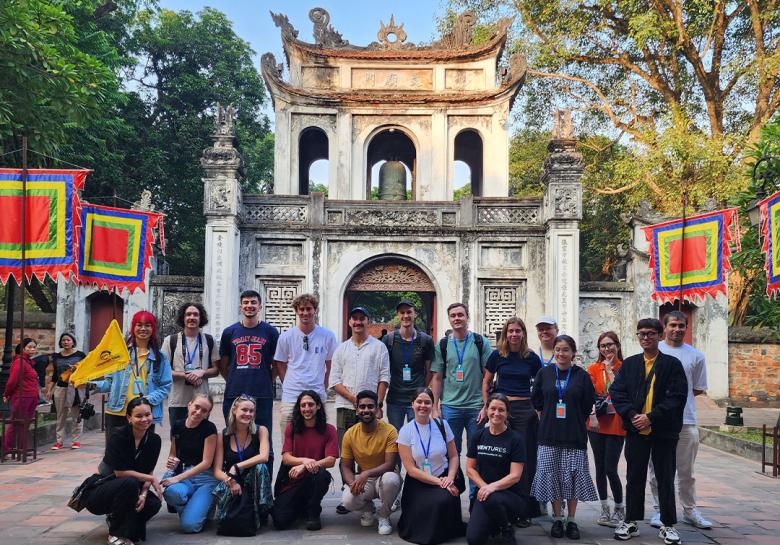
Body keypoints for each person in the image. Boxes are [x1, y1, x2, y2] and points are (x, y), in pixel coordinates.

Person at [610, 318, 687, 545]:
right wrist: (633, 416)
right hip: (636, 430)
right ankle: (631, 520)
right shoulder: (630, 364)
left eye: (651, 334)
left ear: (660, 336)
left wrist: (651, 417)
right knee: (635, 476)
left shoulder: (672, 365)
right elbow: (617, 392)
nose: (646, 338)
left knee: (665, 477)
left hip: (663, 431)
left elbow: (677, 398)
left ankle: (668, 524)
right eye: (642, 334)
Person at [649, 312, 712, 530]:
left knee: (687, 471)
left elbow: (696, 388)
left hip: (685, 420)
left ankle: (690, 509)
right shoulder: (653, 352)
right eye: (673, 325)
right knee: (657, 470)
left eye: (681, 325)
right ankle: (659, 509)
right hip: (657, 420)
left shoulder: (696, 356)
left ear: (686, 327)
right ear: (664, 328)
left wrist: (676, 403)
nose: (677, 329)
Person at [531, 335, 598, 539]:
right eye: (558, 349)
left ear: (573, 353)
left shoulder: (582, 376)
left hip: (574, 435)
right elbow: (537, 401)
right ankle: (558, 518)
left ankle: (571, 520)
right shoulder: (544, 373)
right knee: (553, 478)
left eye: (566, 350)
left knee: (573, 477)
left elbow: (588, 404)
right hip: (549, 435)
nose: (561, 353)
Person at [482, 317, 542, 526]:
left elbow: (540, 383)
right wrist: (486, 406)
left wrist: (537, 408)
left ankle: (523, 508)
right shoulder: (497, 355)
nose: (514, 334)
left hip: (525, 411)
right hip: (502, 410)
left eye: (518, 331)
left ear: (523, 333)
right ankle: (499, 503)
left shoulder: (531, 357)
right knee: (501, 456)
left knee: (523, 459)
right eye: (511, 331)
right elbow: (487, 382)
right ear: (505, 334)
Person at [429, 302, 491, 498]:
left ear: (467, 317)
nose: (457, 318)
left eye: (460, 315)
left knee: (476, 455)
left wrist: (486, 405)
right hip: (450, 407)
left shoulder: (481, 342)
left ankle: (475, 497)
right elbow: (437, 377)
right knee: (450, 454)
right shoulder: (443, 344)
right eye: (453, 315)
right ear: (449, 319)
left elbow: (488, 377)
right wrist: (435, 407)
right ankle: (451, 494)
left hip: (476, 408)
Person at [82, 396, 162, 545]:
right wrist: (151, 479)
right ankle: (115, 534)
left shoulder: (154, 440)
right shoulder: (118, 436)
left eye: (148, 414)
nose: (145, 419)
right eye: (139, 416)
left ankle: (117, 519)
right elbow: (119, 473)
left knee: (153, 504)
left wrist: (144, 494)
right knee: (129, 482)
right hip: (101, 490)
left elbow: (149, 471)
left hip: (130, 489)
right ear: (129, 418)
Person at [396, 387, 466, 545]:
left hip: (443, 476)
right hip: (418, 481)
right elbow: (411, 469)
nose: (423, 405)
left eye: (427, 402)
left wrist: (449, 478)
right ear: (412, 404)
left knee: (443, 500)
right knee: (429, 505)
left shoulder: (442, 425)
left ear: (433, 405)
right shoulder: (405, 431)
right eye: (419, 402)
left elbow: (454, 456)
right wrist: (439, 482)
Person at [91, 311, 172, 440]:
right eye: (139, 325)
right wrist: (90, 386)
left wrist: (147, 400)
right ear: (133, 327)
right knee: (115, 456)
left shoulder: (160, 357)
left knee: (141, 456)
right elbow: (109, 383)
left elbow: (165, 386)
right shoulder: (119, 354)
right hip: (118, 412)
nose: (143, 329)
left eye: (148, 325)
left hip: (143, 415)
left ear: (153, 328)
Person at [272, 390, 338, 531]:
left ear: (318, 406)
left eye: (310, 404)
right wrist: (305, 461)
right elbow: (286, 458)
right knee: (279, 521)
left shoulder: (329, 429)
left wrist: (305, 466)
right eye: (303, 405)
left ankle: (313, 511)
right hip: (292, 481)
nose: (306, 408)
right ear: (299, 408)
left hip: (314, 478)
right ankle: (302, 507)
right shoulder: (292, 428)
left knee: (322, 475)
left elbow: (331, 460)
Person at [274, 293, 338, 436]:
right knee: (289, 435)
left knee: (317, 435)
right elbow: (281, 364)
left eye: (309, 309)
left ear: (315, 310)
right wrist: (288, 383)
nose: (305, 313)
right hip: (291, 395)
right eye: (301, 309)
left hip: (317, 392)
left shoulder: (327, 336)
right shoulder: (286, 337)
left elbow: (330, 364)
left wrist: (324, 385)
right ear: (296, 311)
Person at [466, 393, 526, 545]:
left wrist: (491, 487)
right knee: (474, 539)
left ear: (507, 413)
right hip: (485, 493)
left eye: (501, 410)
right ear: (486, 410)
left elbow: (515, 476)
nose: (496, 413)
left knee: (492, 497)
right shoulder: (478, 436)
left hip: (510, 496)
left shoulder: (516, 439)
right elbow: (470, 469)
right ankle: (495, 524)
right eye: (493, 408)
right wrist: (484, 486)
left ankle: (506, 527)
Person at [340, 389, 402, 536]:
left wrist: (366, 473)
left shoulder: (390, 430)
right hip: (364, 481)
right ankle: (368, 510)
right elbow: (345, 465)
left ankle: (384, 515)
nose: (366, 410)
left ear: (377, 409)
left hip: (384, 476)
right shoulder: (350, 433)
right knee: (348, 500)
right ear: (356, 410)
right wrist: (351, 484)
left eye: (370, 406)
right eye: (362, 407)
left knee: (391, 480)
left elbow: (390, 464)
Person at [218, 290, 279, 432]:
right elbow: (223, 362)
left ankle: (265, 456)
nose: (249, 305)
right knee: (232, 433)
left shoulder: (270, 332)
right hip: (235, 392)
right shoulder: (229, 332)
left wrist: (269, 379)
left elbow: (276, 362)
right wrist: (231, 378)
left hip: (262, 392)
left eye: (253, 302)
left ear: (260, 306)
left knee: (263, 433)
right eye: (245, 302)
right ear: (241, 307)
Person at [212, 396, 273, 535]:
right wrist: (231, 480)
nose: (248, 414)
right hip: (232, 479)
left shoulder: (261, 430)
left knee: (261, 468)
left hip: (254, 479)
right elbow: (216, 470)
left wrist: (237, 466)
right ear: (234, 410)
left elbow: (264, 457)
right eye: (244, 410)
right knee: (228, 517)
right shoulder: (223, 434)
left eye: (251, 411)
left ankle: (261, 512)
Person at [330, 306, 391, 446]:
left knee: (370, 450)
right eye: (355, 319)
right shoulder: (341, 349)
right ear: (350, 322)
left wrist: (378, 404)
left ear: (368, 321)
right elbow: (334, 380)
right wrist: (354, 399)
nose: (358, 322)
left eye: (362, 319)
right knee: (346, 451)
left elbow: (384, 377)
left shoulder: (379, 347)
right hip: (345, 407)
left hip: (370, 408)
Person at [161, 393, 218, 533]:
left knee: (190, 526)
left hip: (205, 478)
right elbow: (173, 453)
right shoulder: (178, 425)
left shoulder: (209, 428)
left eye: (204, 410)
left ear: (207, 414)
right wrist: (171, 462)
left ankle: (200, 507)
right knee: (170, 492)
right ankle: (194, 507)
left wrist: (177, 478)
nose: (198, 412)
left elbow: (206, 462)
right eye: (196, 407)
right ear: (189, 404)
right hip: (183, 473)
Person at [586, 331, 626, 528]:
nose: (607, 349)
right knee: (600, 468)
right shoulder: (593, 368)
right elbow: (589, 395)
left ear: (617, 345)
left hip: (617, 423)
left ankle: (619, 507)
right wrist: (591, 415)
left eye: (610, 344)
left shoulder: (625, 368)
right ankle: (604, 507)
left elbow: (621, 393)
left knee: (611, 468)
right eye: (603, 346)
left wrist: (611, 371)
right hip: (596, 423)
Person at [162, 302, 219, 426]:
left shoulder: (209, 340)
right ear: (183, 318)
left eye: (195, 315)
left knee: (200, 437)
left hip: (201, 400)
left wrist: (202, 372)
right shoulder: (170, 341)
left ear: (201, 318)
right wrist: (185, 375)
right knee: (178, 438)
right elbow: (163, 371)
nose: (191, 317)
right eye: (188, 314)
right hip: (178, 400)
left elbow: (216, 370)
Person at [382, 300, 435, 431]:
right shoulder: (389, 340)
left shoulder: (425, 340)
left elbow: (429, 370)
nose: (406, 316)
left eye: (409, 312)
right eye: (402, 312)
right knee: (395, 437)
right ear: (398, 316)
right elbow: (383, 369)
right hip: (395, 398)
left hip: (417, 399)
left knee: (417, 435)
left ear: (415, 314)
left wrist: (421, 389)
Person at [46, 333, 87, 450]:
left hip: (75, 388)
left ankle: (76, 441)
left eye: (68, 340)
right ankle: (59, 441)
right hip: (60, 388)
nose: (66, 342)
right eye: (63, 340)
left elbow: (86, 370)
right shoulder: (57, 357)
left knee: (76, 414)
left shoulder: (80, 355)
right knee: (60, 415)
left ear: (73, 342)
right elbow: (54, 375)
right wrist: (50, 390)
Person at [2, 338, 40, 457]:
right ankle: (6, 449)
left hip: (31, 397)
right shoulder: (19, 362)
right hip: (22, 397)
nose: (32, 349)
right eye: (29, 347)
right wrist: (6, 394)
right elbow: (12, 381)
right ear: (23, 348)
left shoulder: (28, 362)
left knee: (25, 423)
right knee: (15, 423)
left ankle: (22, 448)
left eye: (34, 347)